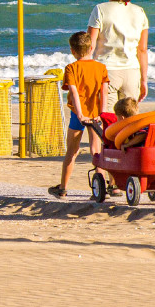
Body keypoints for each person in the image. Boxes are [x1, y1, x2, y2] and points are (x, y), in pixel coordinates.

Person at [48, 31, 109, 198]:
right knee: (96, 151)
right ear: (91, 48)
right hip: (96, 113)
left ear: (72, 50)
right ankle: (100, 188)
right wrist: (102, 113)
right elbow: (104, 92)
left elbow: (74, 93)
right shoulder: (100, 67)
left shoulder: (71, 68)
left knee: (72, 151)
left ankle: (63, 188)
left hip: (78, 114)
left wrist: (80, 114)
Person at [87, 0, 149, 112]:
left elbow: (90, 45)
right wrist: (144, 80)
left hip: (107, 71)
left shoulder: (100, 9)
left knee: (108, 120)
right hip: (132, 72)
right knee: (129, 122)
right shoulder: (139, 11)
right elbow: (142, 50)